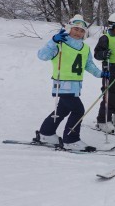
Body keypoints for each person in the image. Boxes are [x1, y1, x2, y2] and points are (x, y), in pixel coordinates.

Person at [36, 14, 108, 152]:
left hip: (75, 86)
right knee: (78, 110)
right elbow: (42, 56)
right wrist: (53, 41)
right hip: (62, 85)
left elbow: (88, 65)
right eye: (75, 29)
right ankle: (71, 140)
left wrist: (100, 74)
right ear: (69, 29)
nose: (78, 33)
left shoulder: (85, 48)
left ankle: (46, 133)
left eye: (81, 31)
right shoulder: (60, 43)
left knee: (62, 110)